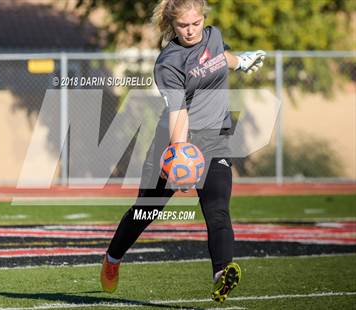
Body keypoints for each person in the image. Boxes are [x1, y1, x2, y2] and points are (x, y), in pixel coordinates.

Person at [100, 0, 265, 303]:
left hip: (216, 139)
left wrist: (240, 61)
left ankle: (221, 275)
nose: (190, 31)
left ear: (204, 19)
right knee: (146, 210)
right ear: (171, 25)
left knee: (217, 207)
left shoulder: (213, 36)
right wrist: (180, 157)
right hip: (175, 140)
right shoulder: (169, 62)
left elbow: (219, 57)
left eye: (196, 23)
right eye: (183, 26)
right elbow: (179, 112)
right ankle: (112, 258)